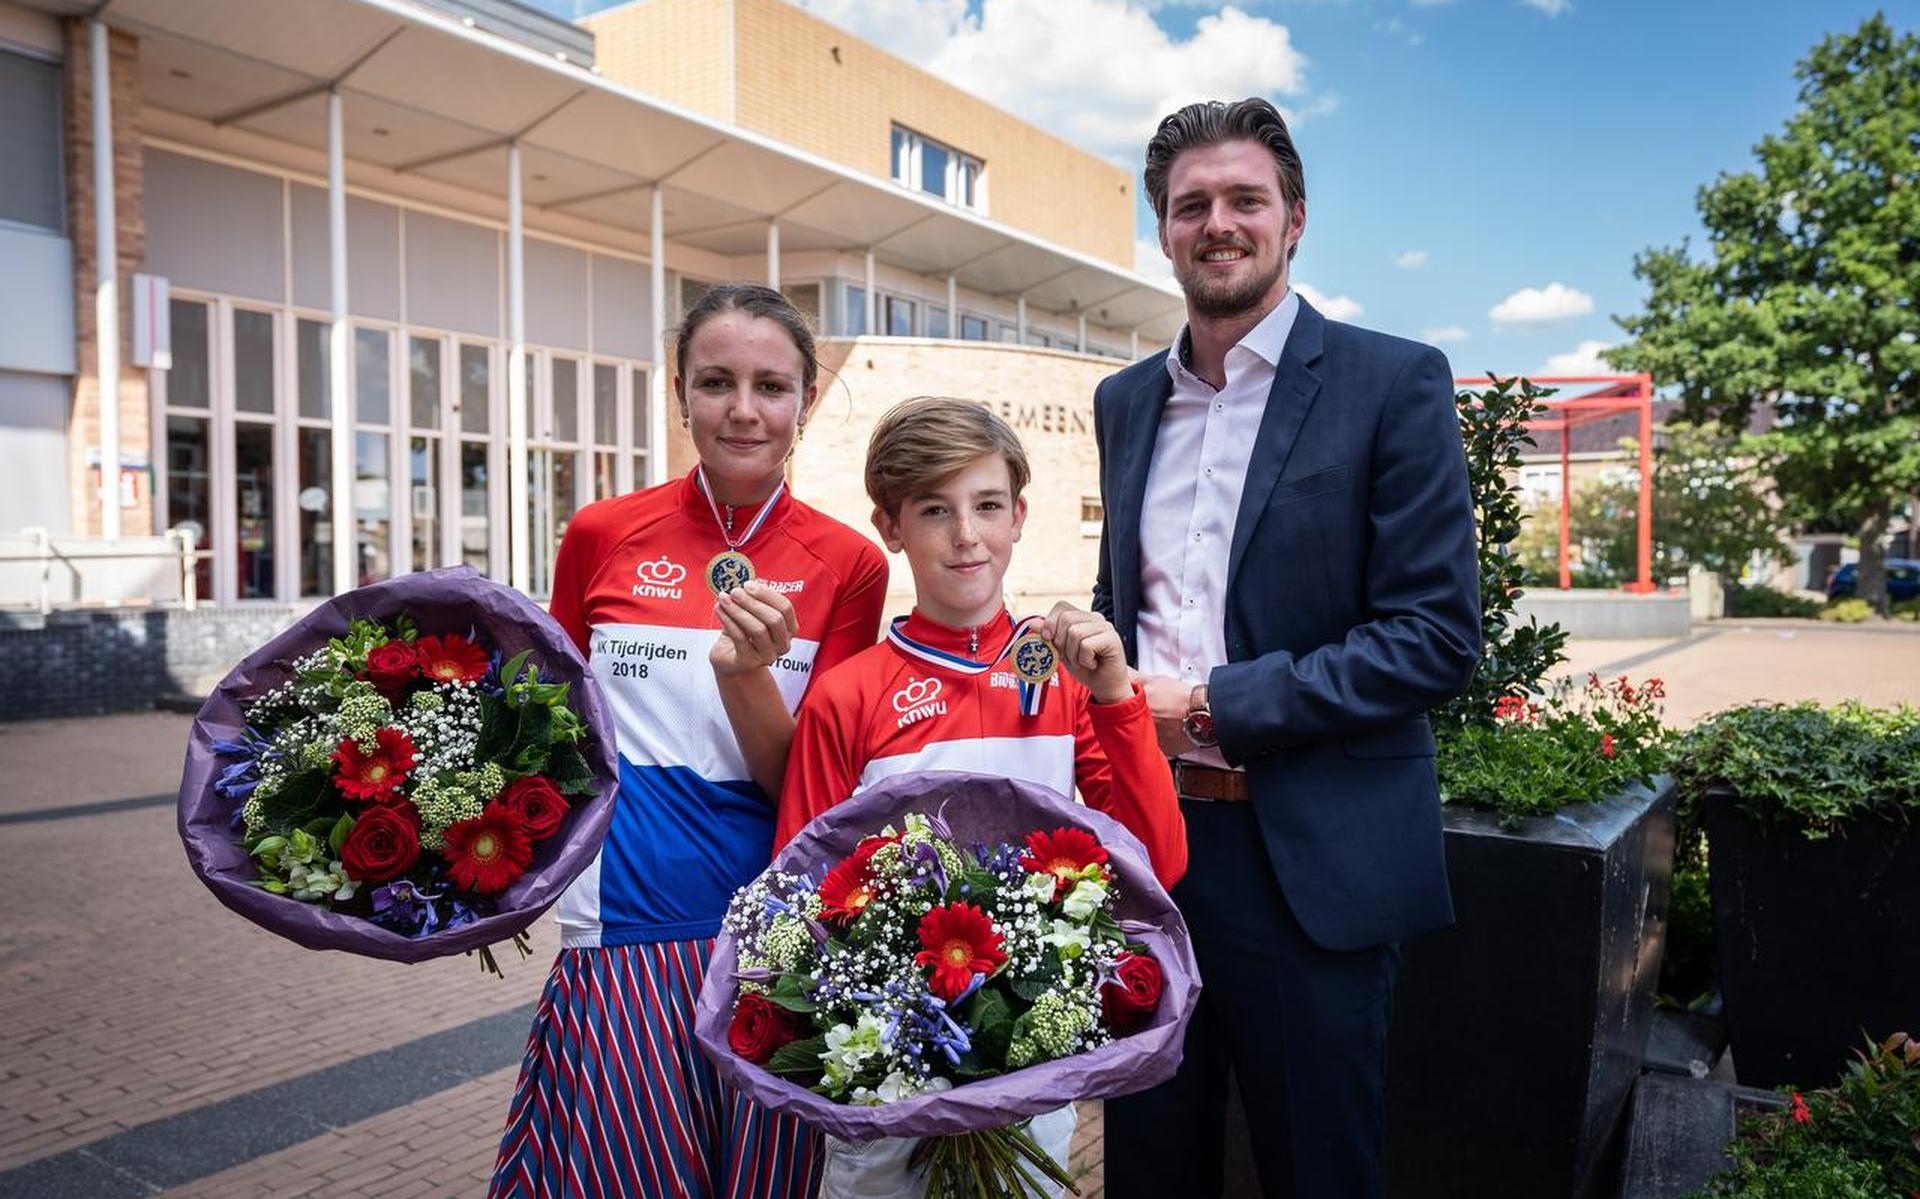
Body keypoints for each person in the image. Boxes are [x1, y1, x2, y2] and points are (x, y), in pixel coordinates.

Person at [1093, 99, 1481, 1199]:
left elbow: (1434, 637)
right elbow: (1128, 603)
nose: (1219, 222)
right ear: (1164, 232)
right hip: (1147, 854)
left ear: (1294, 218)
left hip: (1309, 859)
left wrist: (1207, 705)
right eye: (1191, 205)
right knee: (1151, 1166)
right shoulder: (1126, 402)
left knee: (1318, 1168)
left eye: (1244, 199)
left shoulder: (1392, 381)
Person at [489, 283, 890, 1199]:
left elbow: (810, 787)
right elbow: (555, 734)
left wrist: (745, 674)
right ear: (680, 394)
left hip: (775, 930)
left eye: (771, 385)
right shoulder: (601, 533)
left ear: (805, 402)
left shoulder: (851, 563)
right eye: (716, 382)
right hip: (624, 918)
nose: (743, 410)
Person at [775, 396, 1188, 1198]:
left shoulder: (1072, 681)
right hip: (890, 1085)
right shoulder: (846, 694)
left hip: (1030, 1072)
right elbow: (798, 898)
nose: (967, 535)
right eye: (935, 509)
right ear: (890, 526)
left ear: (1020, 515)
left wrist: (1117, 699)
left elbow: (1159, 863)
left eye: (987, 505)